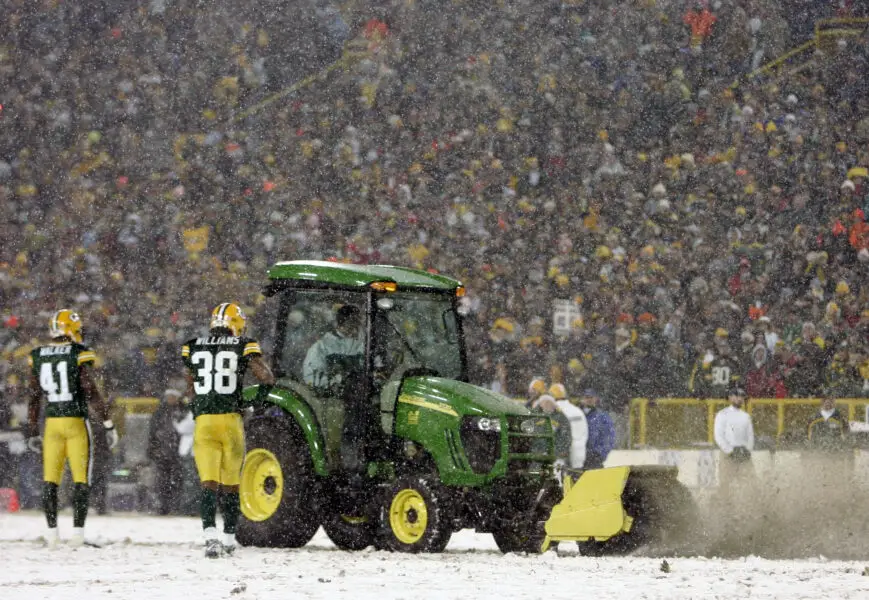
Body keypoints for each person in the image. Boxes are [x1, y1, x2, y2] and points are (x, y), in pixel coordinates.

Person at [182, 302, 275, 558]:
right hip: (231, 420)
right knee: (232, 485)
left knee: (208, 483)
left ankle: (210, 536)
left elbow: (190, 386)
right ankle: (229, 538)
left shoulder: (192, 345)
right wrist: (255, 401)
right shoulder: (244, 344)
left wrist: (197, 405)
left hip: (204, 423)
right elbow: (265, 377)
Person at [26, 309, 118, 548]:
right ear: (71, 329)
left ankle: (52, 534)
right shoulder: (78, 352)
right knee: (80, 479)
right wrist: (108, 423)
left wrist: (33, 430)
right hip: (76, 421)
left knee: (50, 481)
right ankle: (77, 534)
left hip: (52, 423)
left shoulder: (37, 354)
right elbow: (90, 389)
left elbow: (34, 396)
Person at [302, 304, 364, 393]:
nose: (357, 328)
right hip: (328, 399)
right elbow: (312, 379)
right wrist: (338, 381)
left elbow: (368, 366)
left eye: (358, 324)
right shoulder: (321, 347)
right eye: (354, 323)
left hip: (357, 396)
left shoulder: (359, 345)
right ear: (343, 323)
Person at [147, 389, 186, 515]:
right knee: (162, 481)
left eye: (173, 397)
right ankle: (163, 506)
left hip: (178, 452)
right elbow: (152, 433)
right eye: (169, 396)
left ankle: (176, 506)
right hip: (163, 452)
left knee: (177, 480)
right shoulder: (159, 412)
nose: (170, 399)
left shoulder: (183, 411)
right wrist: (153, 449)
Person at [713, 386, 755, 483]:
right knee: (725, 486)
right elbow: (718, 436)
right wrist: (730, 451)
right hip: (727, 455)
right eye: (736, 396)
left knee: (751, 485)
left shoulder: (746, 416)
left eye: (741, 396)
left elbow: (750, 436)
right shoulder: (722, 414)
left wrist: (747, 450)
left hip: (744, 454)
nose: (739, 399)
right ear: (730, 397)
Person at [579, 388, 616, 469]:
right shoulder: (577, 415)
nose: (589, 399)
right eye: (587, 397)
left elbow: (610, 437)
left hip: (595, 459)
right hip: (578, 458)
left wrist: (599, 454)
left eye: (591, 397)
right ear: (582, 399)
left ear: (596, 399)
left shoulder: (602, 417)